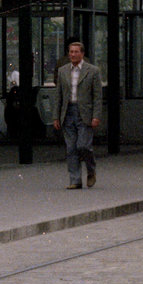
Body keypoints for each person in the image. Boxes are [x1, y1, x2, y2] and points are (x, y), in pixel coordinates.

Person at [53, 41, 103, 189]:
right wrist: (56, 116)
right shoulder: (63, 71)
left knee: (83, 146)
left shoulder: (92, 71)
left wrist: (96, 116)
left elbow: (97, 96)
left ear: (82, 54)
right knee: (71, 148)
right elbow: (58, 96)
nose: (73, 54)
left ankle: (91, 170)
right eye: (71, 52)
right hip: (68, 112)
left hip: (85, 113)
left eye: (76, 52)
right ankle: (75, 180)